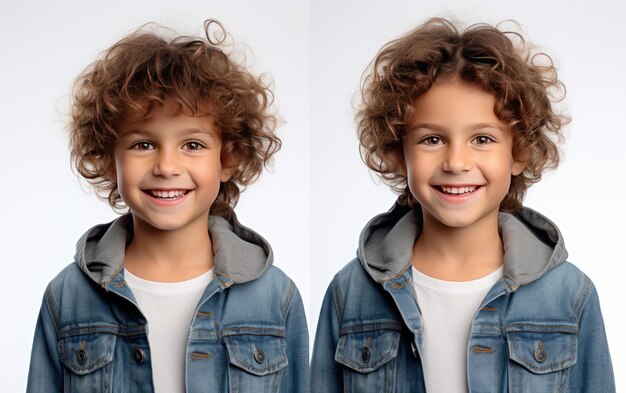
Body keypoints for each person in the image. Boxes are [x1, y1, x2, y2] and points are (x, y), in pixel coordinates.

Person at [311, 18, 614, 392]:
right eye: (433, 139)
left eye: (483, 139)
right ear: (396, 151)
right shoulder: (350, 292)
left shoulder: (570, 295)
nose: (456, 162)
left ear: (519, 152)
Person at [26, 20, 308, 393]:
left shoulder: (275, 297)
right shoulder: (68, 297)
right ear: (109, 159)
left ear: (229, 158)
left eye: (193, 144)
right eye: (143, 144)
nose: (167, 167)